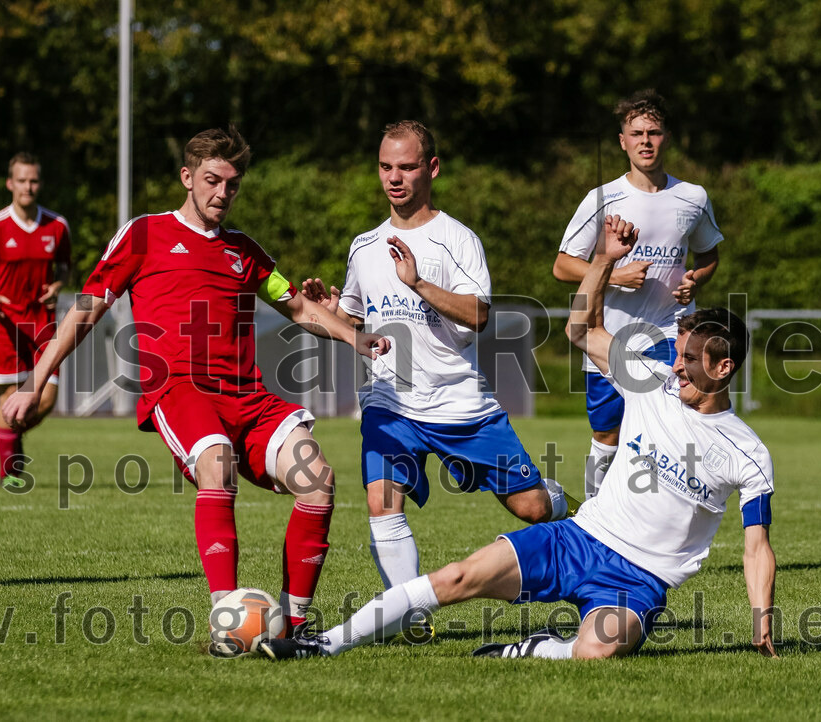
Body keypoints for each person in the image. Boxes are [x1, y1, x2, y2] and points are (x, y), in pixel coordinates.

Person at [259, 214, 776, 661]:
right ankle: (322, 644)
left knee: (596, 650)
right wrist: (603, 260)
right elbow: (581, 330)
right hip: (577, 540)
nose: (677, 367)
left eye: (690, 360)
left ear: (724, 367)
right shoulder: (649, 379)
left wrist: (760, 620)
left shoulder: (747, 453)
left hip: (640, 581)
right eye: (677, 354)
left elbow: (756, 547)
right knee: (458, 577)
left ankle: (532, 649)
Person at [2, 126, 389, 640]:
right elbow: (88, 307)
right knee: (219, 467)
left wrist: (351, 334)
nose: (222, 193)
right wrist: (35, 379)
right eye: (212, 180)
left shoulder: (245, 252)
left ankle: (294, 630)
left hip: (247, 395)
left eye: (232, 184)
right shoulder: (144, 235)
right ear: (187, 177)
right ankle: (227, 621)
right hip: (180, 391)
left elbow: (298, 307)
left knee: (318, 482)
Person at [303, 120, 573, 592]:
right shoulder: (363, 246)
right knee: (382, 500)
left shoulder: (458, 239)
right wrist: (329, 315)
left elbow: (479, 314)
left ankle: (575, 510)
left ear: (432, 168)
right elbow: (351, 322)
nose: (394, 177)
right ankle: (411, 612)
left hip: (458, 403)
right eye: (385, 166)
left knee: (530, 508)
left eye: (407, 167)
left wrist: (418, 284)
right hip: (390, 400)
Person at [553, 90, 723, 499]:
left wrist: (696, 279)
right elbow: (562, 265)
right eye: (637, 133)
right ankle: (595, 514)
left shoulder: (693, 197)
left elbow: (709, 254)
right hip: (609, 333)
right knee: (607, 435)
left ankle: (662, 511)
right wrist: (614, 275)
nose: (646, 141)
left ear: (667, 137)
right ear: (622, 141)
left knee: (673, 424)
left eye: (654, 132)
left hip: (670, 331)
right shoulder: (602, 198)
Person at [0, 153, 71, 488]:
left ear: (40, 183)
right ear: (10, 183)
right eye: (22, 180)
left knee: (47, 398)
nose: (28, 187)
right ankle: (9, 474)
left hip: (43, 324)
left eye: (33, 180)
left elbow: (65, 268)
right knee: (10, 398)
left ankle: (11, 435)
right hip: (3, 325)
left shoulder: (57, 226)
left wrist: (58, 286)